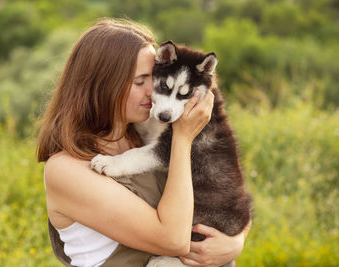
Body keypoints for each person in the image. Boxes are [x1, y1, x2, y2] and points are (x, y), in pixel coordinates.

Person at [37, 18, 251, 267]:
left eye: (154, 77)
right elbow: (173, 240)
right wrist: (181, 139)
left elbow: (228, 192)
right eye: (140, 82)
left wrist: (235, 242)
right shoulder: (66, 170)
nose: (154, 90)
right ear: (104, 86)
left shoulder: (141, 138)